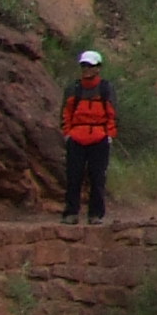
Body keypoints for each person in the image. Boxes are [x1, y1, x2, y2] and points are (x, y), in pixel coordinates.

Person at [59, 48, 119, 222]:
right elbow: (65, 113)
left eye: (90, 66)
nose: (86, 69)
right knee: (73, 176)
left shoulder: (106, 88)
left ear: (98, 68)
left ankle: (95, 214)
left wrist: (109, 135)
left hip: (99, 137)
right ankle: (71, 213)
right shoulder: (73, 89)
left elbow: (112, 114)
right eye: (84, 65)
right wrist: (67, 134)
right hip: (76, 137)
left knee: (97, 177)